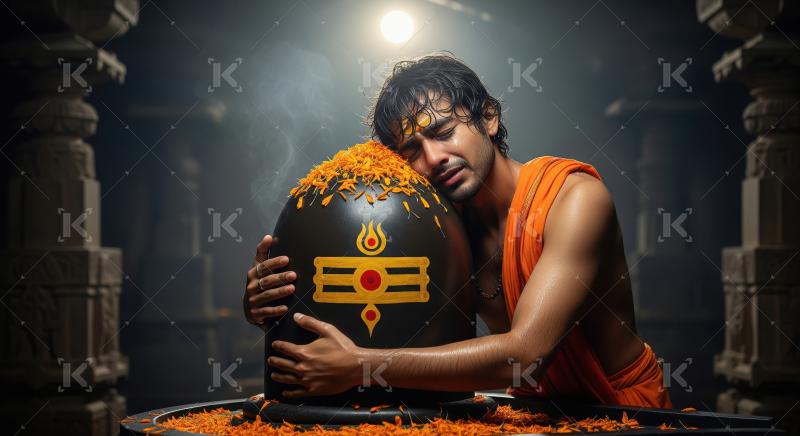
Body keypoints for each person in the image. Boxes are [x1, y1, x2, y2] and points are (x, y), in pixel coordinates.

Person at [242, 54, 672, 408]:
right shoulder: (438, 223)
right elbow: (375, 311)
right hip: (531, 412)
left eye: (443, 133)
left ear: (488, 117)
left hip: (624, 412)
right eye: (412, 150)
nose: (433, 157)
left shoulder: (575, 200)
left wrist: (359, 365)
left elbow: (525, 357)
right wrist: (274, 304)